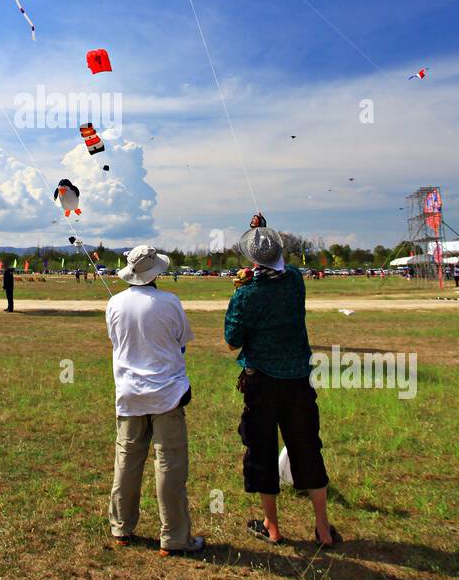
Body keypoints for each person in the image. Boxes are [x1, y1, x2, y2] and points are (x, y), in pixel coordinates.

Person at [225, 226, 339, 549]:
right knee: (307, 449)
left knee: (260, 450)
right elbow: (278, 266)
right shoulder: (295, 281)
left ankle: (272, 527)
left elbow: (232, 340)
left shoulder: (246, 293)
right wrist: (260, 234)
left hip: (261, 383)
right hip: (298, 382)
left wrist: (238, 290)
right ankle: (323, 529)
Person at [106, 245, 204, 557]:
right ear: (156, 273)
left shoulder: (115, 304)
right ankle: (174, 536)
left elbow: (116, 341)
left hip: (130, 394)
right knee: (169, 465)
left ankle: (121, 527)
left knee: (127, 461)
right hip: (167, 394)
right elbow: (181, 342)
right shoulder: (170, 302)